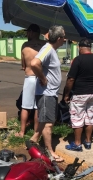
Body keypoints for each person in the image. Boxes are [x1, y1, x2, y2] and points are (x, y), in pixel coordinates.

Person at [63, 39, 93, 151]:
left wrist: (66, 94)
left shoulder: (78, 60)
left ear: (80, 47)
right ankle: (88, 142)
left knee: (77, 118)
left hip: (80, 93)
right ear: (90, 48)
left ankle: (77, 144)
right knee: (90, 117)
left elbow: (71, 79)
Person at [29, 25, 65, 162]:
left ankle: (34, 139)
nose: (65, 39)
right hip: (46, 93)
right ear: (60, 38)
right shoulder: (47, 49)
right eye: (64, 36)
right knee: (49, 123)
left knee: (47, 120)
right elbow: (34, 63)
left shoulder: (51, 50)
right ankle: (50, 153)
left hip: (50, 93)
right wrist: (43, 79)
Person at [15, 24, 46, 137]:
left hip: (29, 78)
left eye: (28, 32)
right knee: (37, 107)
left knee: (25, 107)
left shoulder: (25, 46)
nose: (27, 34)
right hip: (41, 77)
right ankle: (36, 133)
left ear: (32, 33)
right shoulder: (44, 45)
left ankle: (22, 132)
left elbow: (23, 65)